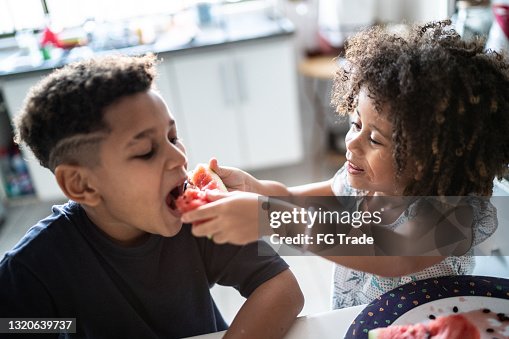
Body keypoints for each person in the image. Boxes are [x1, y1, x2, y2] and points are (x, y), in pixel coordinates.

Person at [180, 20, 509, 309]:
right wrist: (256, 189)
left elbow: (393, 253)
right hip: (357, 318)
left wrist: (272, 219)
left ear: (430, 160)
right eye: (355, 125)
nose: (352, 142)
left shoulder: (450, 215)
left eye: (375, 139)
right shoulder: (363, 184)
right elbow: (294, 198)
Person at [0, 54, 304, 338]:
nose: (178, 157)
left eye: (173, 137)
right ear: (82, 185)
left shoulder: (199, 216)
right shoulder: (33, 267)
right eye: (146, 151)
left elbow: (282, 288)